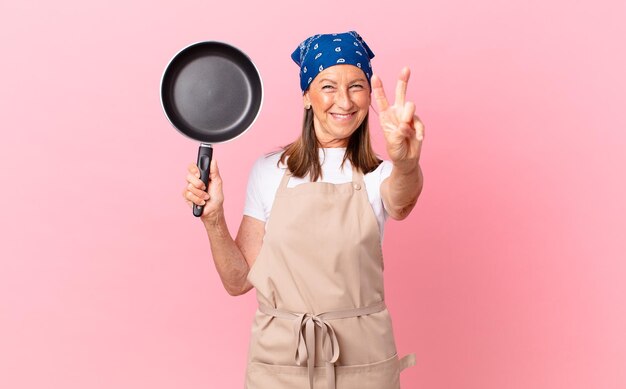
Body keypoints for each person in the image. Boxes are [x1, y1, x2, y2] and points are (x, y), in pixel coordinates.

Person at [182, 31, 424, 389]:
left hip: (363, 361)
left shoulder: (380, 175)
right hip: (282, 361)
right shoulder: (269, 170)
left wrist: (405, 163)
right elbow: (237, 282)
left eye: (356, 86)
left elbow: (402, 200)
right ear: (306, 97)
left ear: (369, 96)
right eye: (328, 86)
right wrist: (214, 220)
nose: (344, 100)